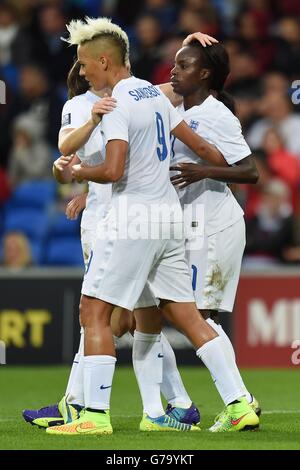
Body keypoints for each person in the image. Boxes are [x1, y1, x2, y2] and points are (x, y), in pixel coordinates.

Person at [45, 17, 259, 436]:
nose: (82, 72)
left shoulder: (119, 104)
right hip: (168, 219)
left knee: (96, 312)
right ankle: (237, 403)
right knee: (185, 315)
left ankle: (93, 416)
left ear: (104, 61)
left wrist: (79, 172)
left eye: (86, 63)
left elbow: (113, 169)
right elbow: (198, 145)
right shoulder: (152, 93)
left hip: (132, 219)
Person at [22, 58, 201, 429]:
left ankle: (84, 407)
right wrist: (83, 173)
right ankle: (166, 405)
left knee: (114, 315)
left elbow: (177, 87)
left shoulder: (135, 94)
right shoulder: (79, 105)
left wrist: (190, 45)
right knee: (120, 316)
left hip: (133, 221)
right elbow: (63, 157)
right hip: (107, 222)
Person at [133, 37, 261, 433]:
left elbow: (250, 171)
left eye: (184, 65)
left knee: (196, 315)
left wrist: (204, 170)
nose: (174, 71)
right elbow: (139, 94)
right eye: (174, 64)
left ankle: (237, 403)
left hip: (214, 225)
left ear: (204, 74)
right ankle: (223, 401)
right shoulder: (178, 109)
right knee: (162, 314)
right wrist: (190, 40)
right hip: (187, 226)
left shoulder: (216, 114)